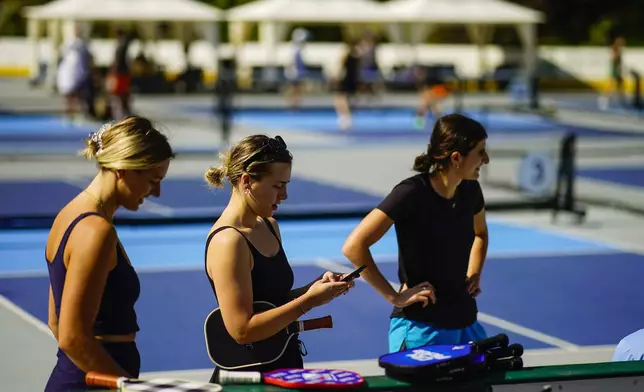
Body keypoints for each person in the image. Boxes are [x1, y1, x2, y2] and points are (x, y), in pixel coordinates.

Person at [203, 134, 354, 381]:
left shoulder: (269, 225)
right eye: (277, 185)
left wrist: (313, 290)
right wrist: (308, 302)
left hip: (285, 364)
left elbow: (271, 301)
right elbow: (242, 330)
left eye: (286, 184)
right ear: (247, 181)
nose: (284, 195)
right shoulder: (228, 241)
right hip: (249, 377)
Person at [44, 116, 175, 392]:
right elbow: (71, 337)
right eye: (153, 180)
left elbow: (56, 321)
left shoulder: (69, 215)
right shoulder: (96, 231)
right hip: (93, 383)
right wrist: (126, 386)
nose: (158, 192)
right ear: (123, 169)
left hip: (84, 378)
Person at [342, 113, 491, 352]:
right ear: (456, 158)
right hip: (420, 330)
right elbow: (353, 246)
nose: (486, 159)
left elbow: (480, 234)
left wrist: (474, 272)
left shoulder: (471, 191)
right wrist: (394, 297)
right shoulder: (411, 193)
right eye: (480, 152)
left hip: (467, 324)